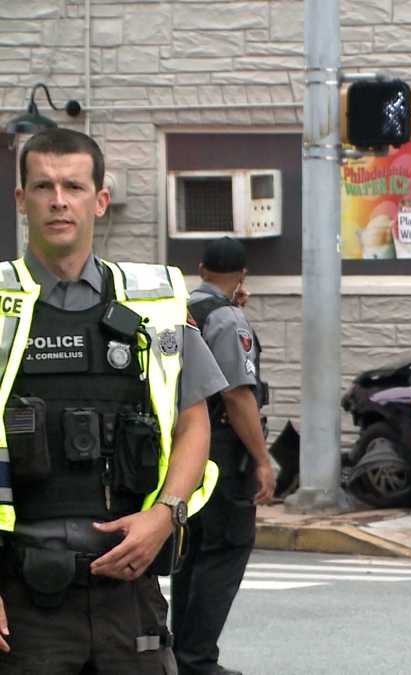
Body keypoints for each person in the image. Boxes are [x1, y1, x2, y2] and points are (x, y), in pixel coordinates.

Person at [0, 128, 225, 672]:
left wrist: (165, 516)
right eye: (43, 186)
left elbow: (193, 423)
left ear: (100, 199)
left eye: (73, 186)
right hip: (23, 598)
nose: (58, 199)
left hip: (131, 589)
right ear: (20, 200)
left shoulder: (154, 303)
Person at [171, 238, 275, 675]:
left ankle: (180, 653)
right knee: (227, 547)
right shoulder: (229, 318)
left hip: (183, 448)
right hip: (222, 449)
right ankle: (197, 659)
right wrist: (262, 459)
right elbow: (236, 393)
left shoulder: (180, 306)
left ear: (201, 268)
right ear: (242, 275)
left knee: (190, 550)